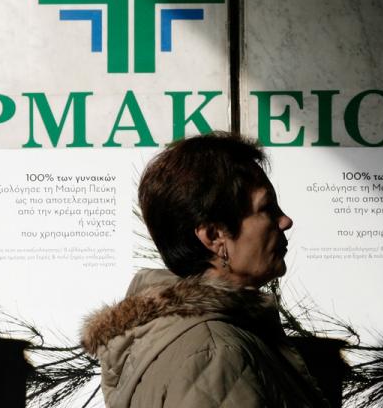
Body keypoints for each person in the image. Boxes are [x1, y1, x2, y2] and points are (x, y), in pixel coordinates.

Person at [81, 132, 329, 408]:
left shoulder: (185, 337)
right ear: (214, 236)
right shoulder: (215, 353)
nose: (285, 221)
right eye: (267, 208)